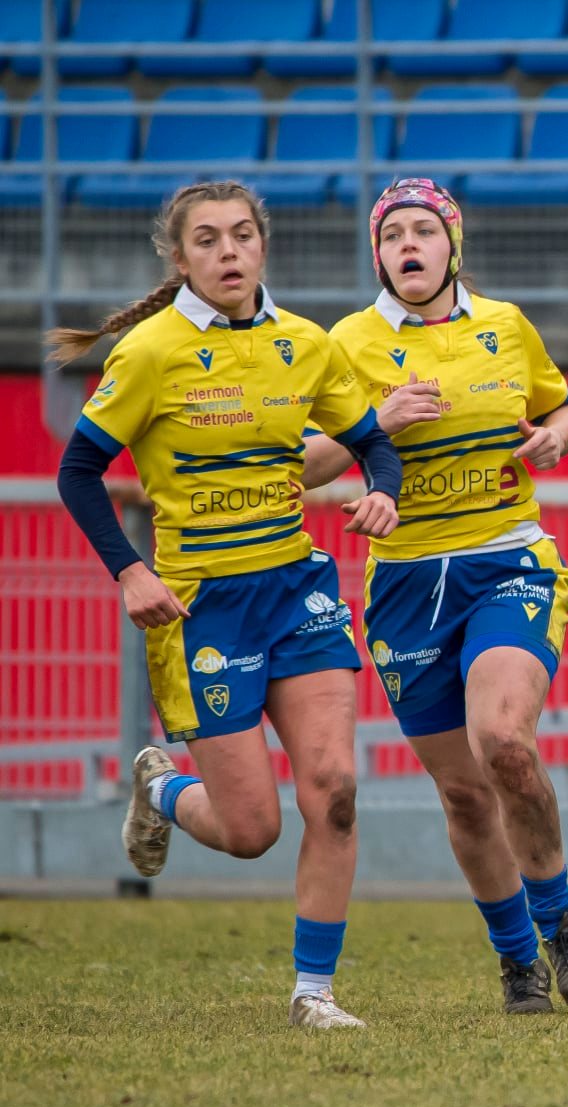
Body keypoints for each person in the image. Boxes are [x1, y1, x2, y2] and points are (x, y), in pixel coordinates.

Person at [50, 180, 403, 1029]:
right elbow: (78, 472)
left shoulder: (305, 343)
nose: (229, 252)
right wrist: (130, 572)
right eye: (207, 240)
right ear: (180, 259)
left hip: (297, 591)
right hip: (202, 608)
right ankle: (163, 788)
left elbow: (372, 442)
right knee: (251, 829)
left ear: (263, 246)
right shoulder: (149, 352)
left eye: (242, 235)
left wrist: (382, 491)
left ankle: (314, 992)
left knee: (336, 789)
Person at [301, 179, 568, 1014]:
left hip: (508, 560)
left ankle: (561, 926)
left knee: (503, 741)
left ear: (452, 245)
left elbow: (566, 408)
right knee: (465, 792)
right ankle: (517, 961)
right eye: (392, 232)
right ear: (378, 254)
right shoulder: (346, 343)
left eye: (423, 230)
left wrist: (554, 439)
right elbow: (303, 465)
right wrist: (376, 424)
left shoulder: (504, 324)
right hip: (405, 584)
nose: (409, 243)